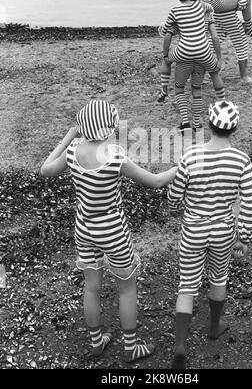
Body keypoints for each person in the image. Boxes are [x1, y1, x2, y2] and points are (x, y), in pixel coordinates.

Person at [41, 98, 177, 363]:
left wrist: (70, 134)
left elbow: (45, 169)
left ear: (83, 127)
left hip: (83, 229)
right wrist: (181, 167)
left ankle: (96, 341)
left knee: (91, 288)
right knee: (126, 288)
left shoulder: (72, 151)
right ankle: (130, 348)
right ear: (109, 126)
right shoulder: (115, 156)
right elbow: (156, 182)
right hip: (113, 231)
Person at [168, 100, 252, 369]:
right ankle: (214, 326)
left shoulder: (191, 156)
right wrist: (244, 237)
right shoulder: (241, 160)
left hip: (193, 230)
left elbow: (175, 195)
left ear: (208, 125)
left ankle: (180, 346)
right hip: (222, 231)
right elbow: (250, 204)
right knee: (219, 277)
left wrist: (174, 208)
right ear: (235, 129)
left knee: (187, 285)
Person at [161, 0, 225, 133]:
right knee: (200, 85)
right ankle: (198, 123)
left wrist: (166, 55)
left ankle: (184, 122)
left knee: (179, 86)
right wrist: (219, 57)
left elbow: (167, 36)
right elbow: (215, 36)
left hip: (183, 52)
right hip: (203, 52)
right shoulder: (202, 7)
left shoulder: (174, 11)